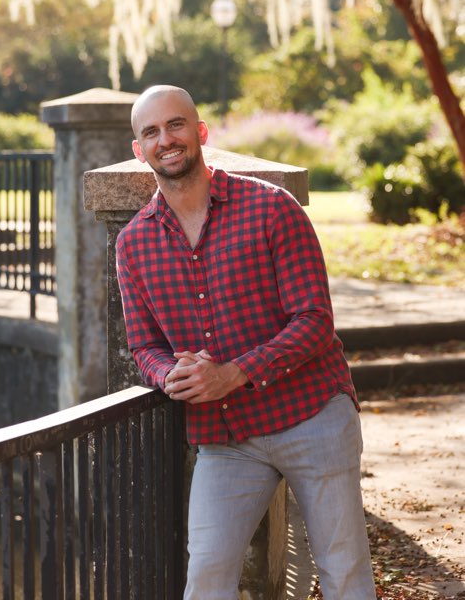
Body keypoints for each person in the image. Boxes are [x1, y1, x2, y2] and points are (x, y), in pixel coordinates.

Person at [116, 84, 377, 600]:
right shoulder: (133, 243)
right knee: (207, 574)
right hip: (227, 435)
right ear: (138, 149)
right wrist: (170, 375)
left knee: (343, 569)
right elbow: (143, 346)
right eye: (151, 132)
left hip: (312, 415)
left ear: (201, 132)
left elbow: (315, 320)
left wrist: (233, 372)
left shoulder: (271, 208)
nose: (166, 139)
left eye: (176, 125)